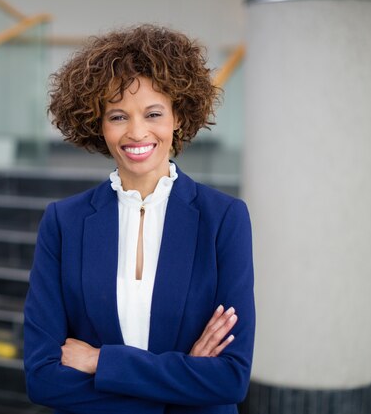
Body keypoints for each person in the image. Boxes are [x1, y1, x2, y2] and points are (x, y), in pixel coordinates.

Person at [23, 24, 255, 414]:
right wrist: (183, 383)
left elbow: (230, 378)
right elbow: (42, 378)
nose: (136, 132)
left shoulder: (224, 219)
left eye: (153, 113)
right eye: (117, 116)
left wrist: (100, 362)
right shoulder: (64, 222)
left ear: (178, 116)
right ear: (98, 123)